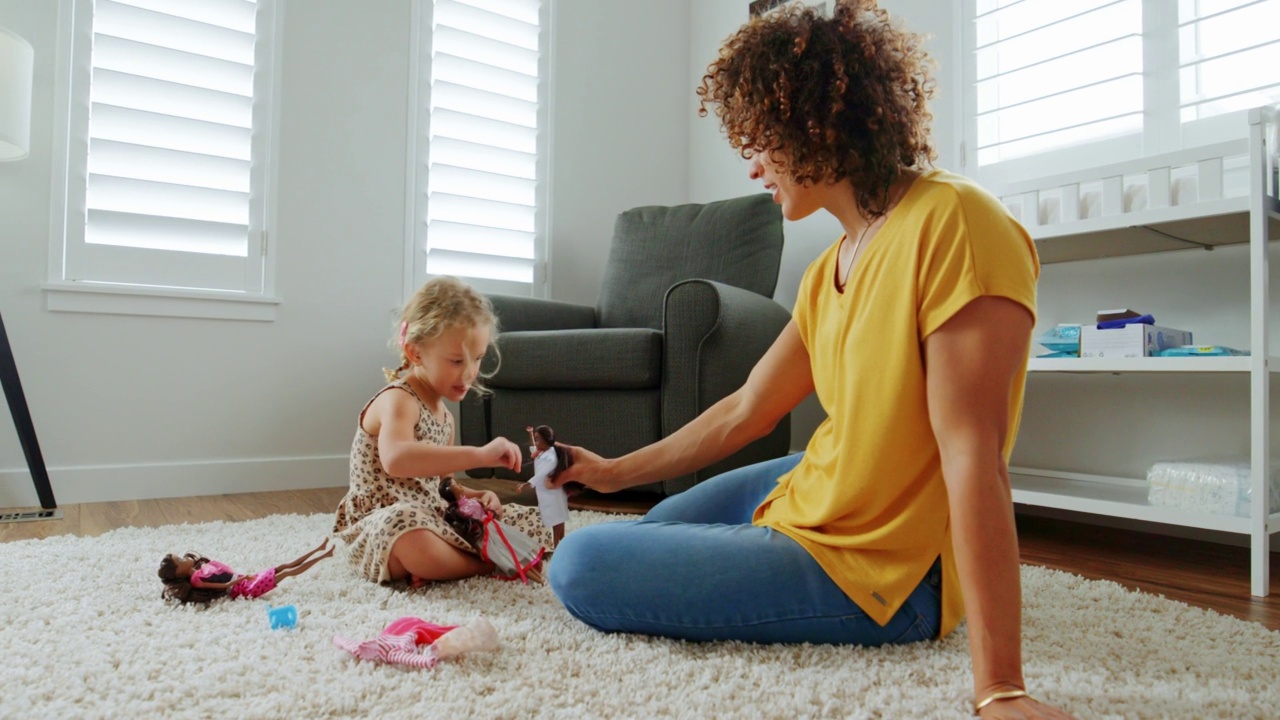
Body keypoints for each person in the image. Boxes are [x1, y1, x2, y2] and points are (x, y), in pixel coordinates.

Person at [545, 3, 1073, 718]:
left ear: (818, 123)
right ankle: (753, 544)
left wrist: (1000, 687)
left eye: (761, 137)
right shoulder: (827, 270)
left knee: (581, 565)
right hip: (817, 486)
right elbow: (744, 409)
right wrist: (608, 473)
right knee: (643, 532)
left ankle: (787, 567)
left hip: (884, 570)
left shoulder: (958, 224)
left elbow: (974, 454)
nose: (752, 163)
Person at [333, 276, 551, 587]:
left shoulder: (445, 417)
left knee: (530, 517)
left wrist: (477, 496)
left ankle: (460, 560)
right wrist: (478, 454)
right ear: (416, 352)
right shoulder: (399, 400)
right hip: (383, 527)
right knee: (407, 532)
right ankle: (484, 564)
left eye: (477, 359)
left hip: (430, 516)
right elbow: (397, 459)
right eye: (456, 361)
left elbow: (442, 487)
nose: (470, 372)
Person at [157, 539, 333, 604]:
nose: (184, 558)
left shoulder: (198, 569)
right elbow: (224, 585)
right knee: (286, 573)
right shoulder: (196, 580)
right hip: (245, 589)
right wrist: (245, 578)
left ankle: (319, 549)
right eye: (180, 561)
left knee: (284, 566)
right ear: (179, 573)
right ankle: (323, 556)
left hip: (244, 579)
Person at [519, 425, 569, 546]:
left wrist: (527, 484)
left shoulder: (550, 458)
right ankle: (559, 542)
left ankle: (558, 544)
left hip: (553, 494)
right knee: (555, 519)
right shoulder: (542, 453)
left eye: (538, 439)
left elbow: (541, 474)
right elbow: (533, 448)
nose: (536, 443)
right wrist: (530, 434)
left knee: (557, 519)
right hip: (546, 493)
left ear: (546, 441)